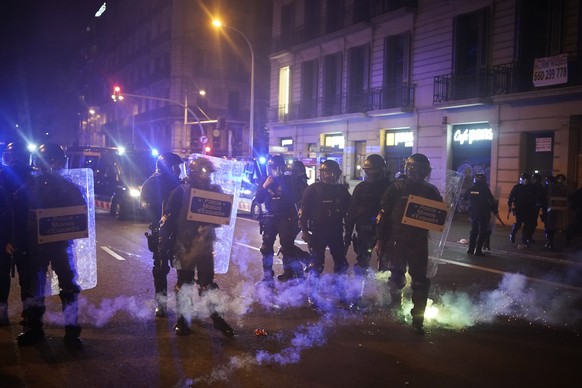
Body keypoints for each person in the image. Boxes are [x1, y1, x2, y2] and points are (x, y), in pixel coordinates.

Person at [12, 143, 85, 347]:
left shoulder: (68, 187)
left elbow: (81, 214)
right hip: (36, 245)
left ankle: (71, 332)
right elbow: (18, 217)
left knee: (68, 287)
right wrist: (18, 244)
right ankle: (34, 328)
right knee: (34, 287)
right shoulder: (29, 187)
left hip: (60, 245)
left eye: (56, 161)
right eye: (51, 161)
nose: (54, 166)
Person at [158, 157, 234, 337]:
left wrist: (208, 226)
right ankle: (183, 319)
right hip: (185, 245)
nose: (207, 177)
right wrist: (163, 241)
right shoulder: (181, 191)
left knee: (208, 283)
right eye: (203, 173)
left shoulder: (215, 191)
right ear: (193, 173)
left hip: (205, 244)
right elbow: (168, 219)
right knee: (185, 283)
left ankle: (216, 317)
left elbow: (219, 217)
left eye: (208, 173)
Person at [375, 153, 443, 334]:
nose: (416, 172)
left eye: (420, 170)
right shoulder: (396, 188)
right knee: (397, 276)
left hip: (419, 241)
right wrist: (380, 240)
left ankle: (418, 319)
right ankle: (397, 310)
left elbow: (438, 215)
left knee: (420, 281)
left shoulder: (431, 191)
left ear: (425, 171)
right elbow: (382, 216)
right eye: (413, 169)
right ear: (407, 169)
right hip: (397, 240)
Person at [140, 152, 183, 318]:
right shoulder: (152, 183)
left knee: (182, 268)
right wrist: (161, 213)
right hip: (161, 230)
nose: (179, 170)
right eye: (176, 167)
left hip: (180, 230)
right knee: (160, 268)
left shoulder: (180, 184)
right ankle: (161, 304)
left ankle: (183, 304)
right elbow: (144, 206)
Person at [255, 155, 305, 282]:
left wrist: (286, 183)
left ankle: (290, 272)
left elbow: (295, 197)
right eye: (270, 168)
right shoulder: (265, 181)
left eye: (274, 168)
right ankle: (267, 276)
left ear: (280, 168)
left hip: (285, 217)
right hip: (270, 217)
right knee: (266, 248)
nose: (272, 171)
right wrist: (264, 186)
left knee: (287, 247)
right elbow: (259, 199)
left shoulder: (288, 180)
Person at [299, 160, 351, 277]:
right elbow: (303, 212)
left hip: (336, 230)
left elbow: (349, 209)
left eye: (332, 173)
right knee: (316, 264)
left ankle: (339, 289)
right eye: (327, 173)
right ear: (322, 174)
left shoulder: (341, 190)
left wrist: (349, 231)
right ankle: (313, 291)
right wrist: (304, 230)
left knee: (341, 263)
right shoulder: (313, 189)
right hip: (318, 231)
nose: (330, 176)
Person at [0, 141, 32, 325]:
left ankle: (29, 316)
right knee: (3, 276)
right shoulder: (3, 177)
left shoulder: (32, 177)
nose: (9, 158)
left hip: (23, 235)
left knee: (27, 279)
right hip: (6, 234)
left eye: (12, 155)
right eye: (8, 155)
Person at [344, 154, 391, 275]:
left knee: (385, 263)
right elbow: (352, 212)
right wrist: (348, 234)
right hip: (365, 229)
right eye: (368, 171)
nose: (370, 174)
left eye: (372, 170)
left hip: (386, 229)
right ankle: (360, 288)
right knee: (362, 262)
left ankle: (383, 290)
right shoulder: (361, 188)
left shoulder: (390, 187)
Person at [462, 173, 498, 256]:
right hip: (483, 213)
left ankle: (470, 249)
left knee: (474, 230)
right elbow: (491, 201)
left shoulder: (471, 188)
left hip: (473, 213)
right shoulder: (485, 189)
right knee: (482, 232)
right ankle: (478, 250)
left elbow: (464, 198)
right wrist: (495, 211)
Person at [507, 172, 538, 247]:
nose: (526, 181)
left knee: (527, 225)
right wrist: (509, 206)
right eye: (524, 179)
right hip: (519, 208)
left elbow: (535, 198)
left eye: (527, 179)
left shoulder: (532, 187)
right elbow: (510, 197)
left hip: (529, 209)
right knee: (518, 223)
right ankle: (512, 234)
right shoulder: (517, 187)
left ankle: (524, 240)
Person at [541, 176, 568, 249]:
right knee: (551, 227)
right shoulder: (558, 188)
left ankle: (550, 242)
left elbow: (541, 199)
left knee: (549, 227)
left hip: (550, 211)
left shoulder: (547, 189)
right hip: (554, 210)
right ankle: (550, 241)